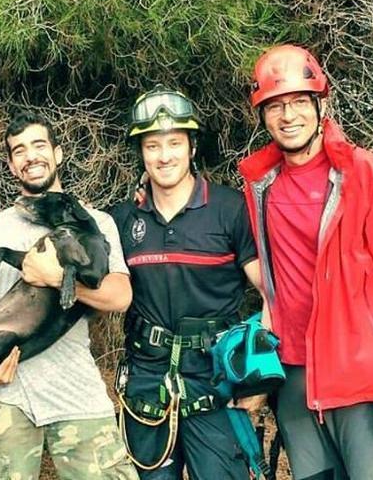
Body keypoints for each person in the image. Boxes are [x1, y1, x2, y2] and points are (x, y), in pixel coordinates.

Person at [239, 44, 373, 480]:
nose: (287, 116)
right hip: (295, 381)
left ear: (319, 104)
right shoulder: (260, 187)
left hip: (363, 381)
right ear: (262, 116)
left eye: (297, 102)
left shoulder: (364, 175)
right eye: (274, 106)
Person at [0, 109, 139, 479]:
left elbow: (120, 296)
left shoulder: (95, 223)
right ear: (11, 165)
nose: (30, 156)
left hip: (76, 392)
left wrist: (55, 277)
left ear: (57, 153)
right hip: (10, 396)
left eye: (39, 145)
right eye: (19, 150)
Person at [109, 87, 266, 479]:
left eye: (174, 143)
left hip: (217, 384)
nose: (164, 156)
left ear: (192, 147)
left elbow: (272, 293)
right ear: (141, 153)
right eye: (152, 145)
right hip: (147, 386)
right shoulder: (123, 220)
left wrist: (258, 377)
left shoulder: (229, 209)